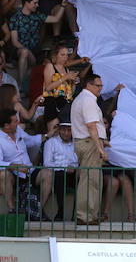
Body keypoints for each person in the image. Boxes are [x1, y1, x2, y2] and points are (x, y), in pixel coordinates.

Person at [71, 73, 109, 225]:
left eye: (101, 86)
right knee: (90, 180)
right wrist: (100, 148)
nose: (100, 88)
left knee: (91, 179)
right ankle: (85, 216)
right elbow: (91, 126)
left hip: (87, 142)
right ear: (88, 85)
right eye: (98, 85)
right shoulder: (88, 100)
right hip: (89, 143)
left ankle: (88, 215)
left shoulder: (83, 99)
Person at [0, 108, 50, 217]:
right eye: (15, 121)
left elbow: (31, 141)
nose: (18, 123)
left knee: (48, 174)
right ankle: (12, 210)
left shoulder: (18, 131)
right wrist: (15, 167)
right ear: (6, 125)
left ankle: (36, 210)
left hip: (29, 170)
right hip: (13, 174)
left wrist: (47, 135)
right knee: (3, 175)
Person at [9, 0, 64, 85]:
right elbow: (14, 41)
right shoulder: (15, 18)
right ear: (27, 3)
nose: (37, 5)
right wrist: (26, 51)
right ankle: (22, 85)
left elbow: (56, 19)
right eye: (35, 3)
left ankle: (23, 85)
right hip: (19, 52)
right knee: (24, 52)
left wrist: (63, 5)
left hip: (35, 53)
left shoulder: (37, 16)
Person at [38, 118, 77, 221]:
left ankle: (76, 214)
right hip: (57, 174)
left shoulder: (76, 143)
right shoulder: (51, 142)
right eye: (63, 130)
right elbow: (47, 163)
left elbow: (78, 161)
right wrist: (65, 168)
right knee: (60, 176)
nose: (66, 133)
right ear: (59, 130)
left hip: (73, 173)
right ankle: (60, 211)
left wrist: (74, 168)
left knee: (82, 177)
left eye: (69, 130)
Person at [42, 43, 84, 129]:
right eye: (62, 54)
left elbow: (70, 93)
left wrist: (73, 82)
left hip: (65, 103)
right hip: (53, 102)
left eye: (67, 55)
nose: (65, 57)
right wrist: (65, 78)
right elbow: (48, 88)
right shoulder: (50, 67)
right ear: (55, 55)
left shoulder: (66, 69)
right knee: (53, 129)